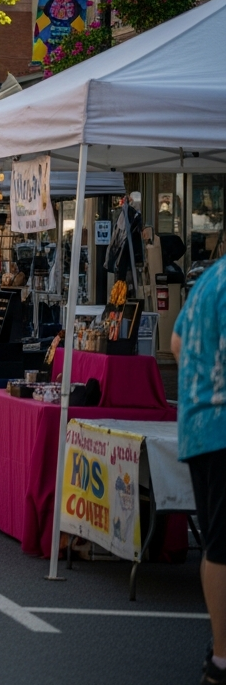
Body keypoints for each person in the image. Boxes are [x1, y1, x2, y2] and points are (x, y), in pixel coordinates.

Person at [172, 260, 226, 684]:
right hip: (223, 427)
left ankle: (221, 651)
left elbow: (175, 343)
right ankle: (222, 657)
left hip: (197, 427)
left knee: (215, 541)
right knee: (223, 543)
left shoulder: (209, 279)